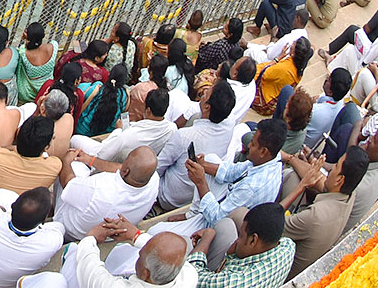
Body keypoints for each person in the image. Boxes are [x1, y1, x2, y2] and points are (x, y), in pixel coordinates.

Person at [152, 119, 286, 241]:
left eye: (253, 143)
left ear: (263, 151)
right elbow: (231, 172)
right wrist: (203, 166)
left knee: (154, 231)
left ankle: (193, 220)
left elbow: (216, 219)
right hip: (227, 203)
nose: (249, 145)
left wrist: (200, 182)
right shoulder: (271, 158)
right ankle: (192, 215)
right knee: (211, 159)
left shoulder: (252, 187)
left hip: (223, 228)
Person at [281, 146, 370, 276]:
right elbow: (321, 181)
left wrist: (301, 186)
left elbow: (270, 224)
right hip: (303, 235)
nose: (331, 169)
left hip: (283, 269)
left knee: (241, 214)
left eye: (336, 166)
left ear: (340, 179)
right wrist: (293, 159)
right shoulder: (350, 194)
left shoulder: (315, 215)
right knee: (293, 177)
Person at [156, 81, 237, 210]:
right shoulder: (230, 120)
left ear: (207, 107)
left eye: (207, 92)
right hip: (196, 193)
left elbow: (158, 168)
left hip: (170, 197)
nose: (203, 93)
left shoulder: (184, 136)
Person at [55, 147, 159, 241]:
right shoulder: (154, 179)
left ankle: (51, 209)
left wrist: (66, 160)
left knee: (75, 165)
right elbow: (120, 168)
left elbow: (67, 183)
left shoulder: (100, 187)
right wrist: (90, 160)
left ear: (126, 171)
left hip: (71, 232)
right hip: (109, 237)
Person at [187, 202, 295, 288]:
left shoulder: (233, 282)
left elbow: (192, 276)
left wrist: (207, 237)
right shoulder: (288, 246)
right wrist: (230, 254)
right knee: (226, 225)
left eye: (241, 235)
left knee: (185, 243)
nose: (237, 241)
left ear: (253, 240)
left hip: (205, 279)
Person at [67, 226, 195, 288]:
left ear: (146, 273)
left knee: (73, 253)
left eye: (140, 256)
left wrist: (91, 238)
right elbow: (166, 249)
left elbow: (90, 270)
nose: (138, 256)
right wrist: (136, 235)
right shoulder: (189, 276)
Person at [74, 88, 177, 162]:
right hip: (138, 160)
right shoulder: (172, 129)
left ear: (148, 110)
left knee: (75, 139)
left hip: (107, 158)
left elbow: (102, 154)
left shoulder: (130, 134)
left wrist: (118, 130)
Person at [251, 37, 312, 116]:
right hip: (273, 100)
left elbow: (264, 73)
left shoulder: (285, 68)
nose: (292, 42)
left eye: (293, 44)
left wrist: (277, 59)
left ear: (293, 54)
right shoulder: (300, 67)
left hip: (263, 102)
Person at [76, 64, 129, 137]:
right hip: (107, 135)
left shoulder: (97, 88)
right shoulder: (125, 95)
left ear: (110, 74)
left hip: (83, 131)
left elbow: (81, 90)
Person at [15, 22, 59, 102]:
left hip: (28, 93)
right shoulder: (53, 47)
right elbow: (53, 42)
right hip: (45, 88)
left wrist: (24, 38)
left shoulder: (23, 53)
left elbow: (22, 49)